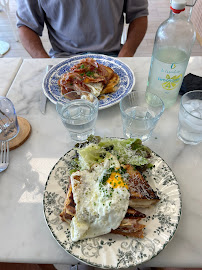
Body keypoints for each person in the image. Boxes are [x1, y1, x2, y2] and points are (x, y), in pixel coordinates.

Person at [16, 0, 148, 58]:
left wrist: (126, 54)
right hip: (63, 59)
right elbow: (26, 26)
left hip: (112, 56)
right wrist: (44, 62)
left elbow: (139, 15)